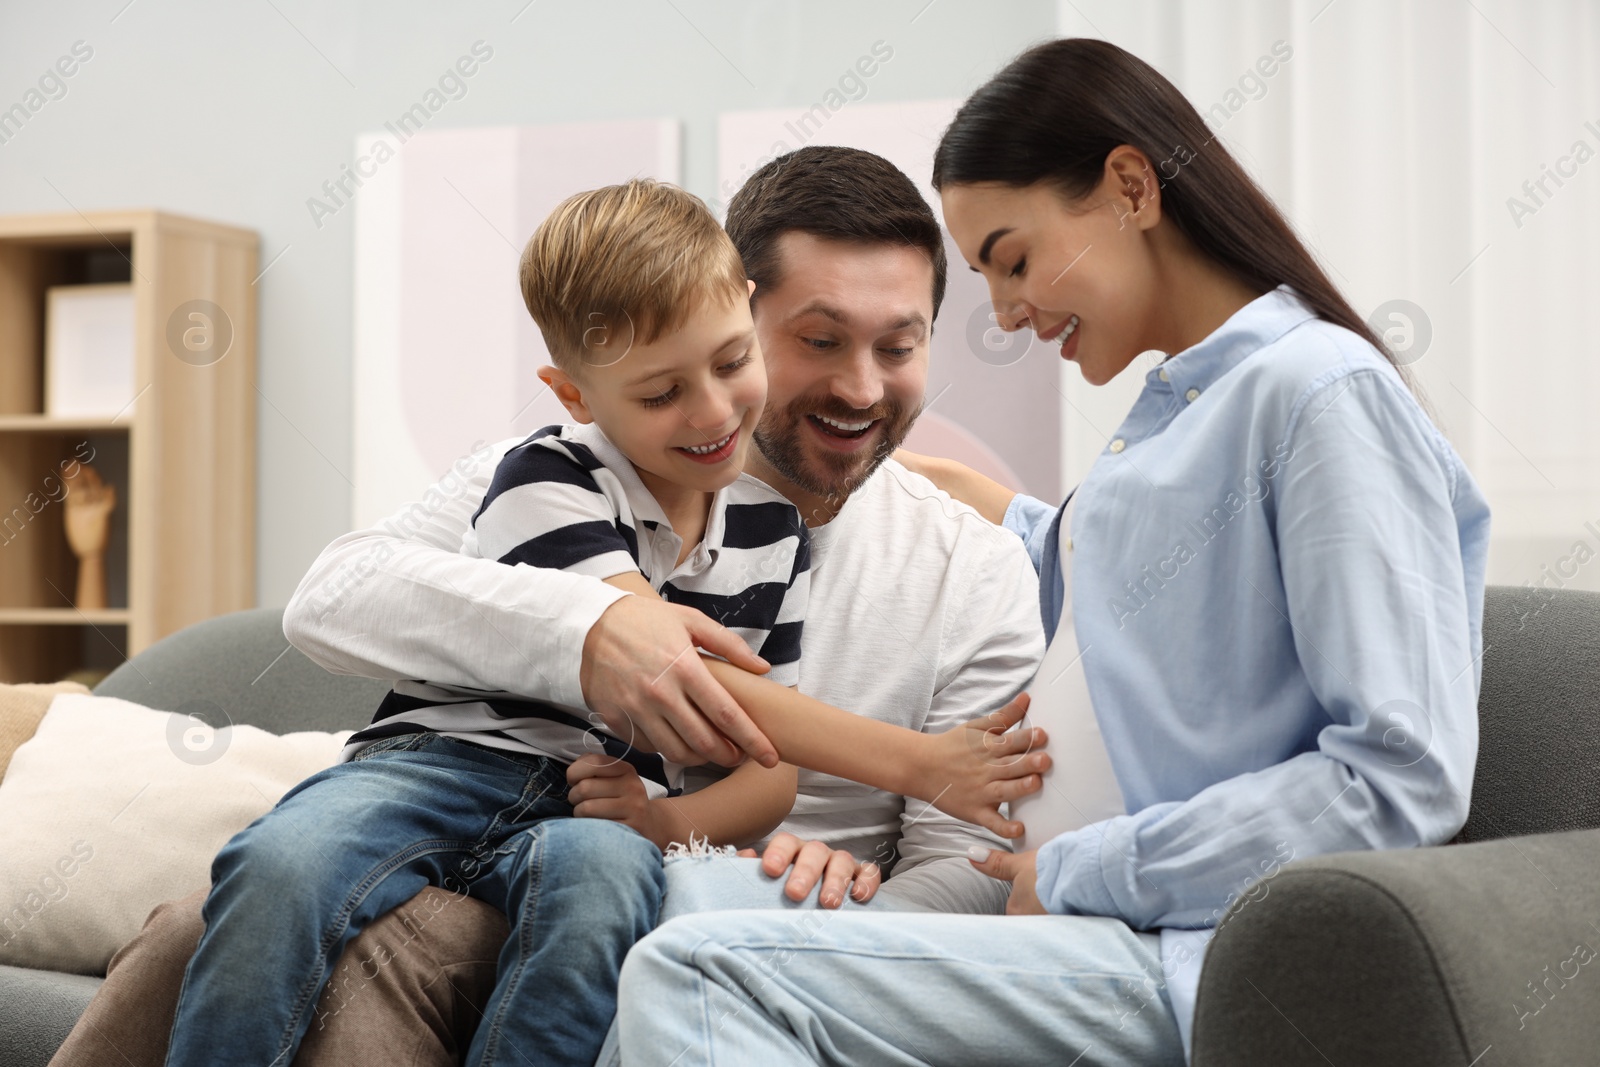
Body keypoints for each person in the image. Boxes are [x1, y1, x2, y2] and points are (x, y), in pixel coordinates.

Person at [55, 145, 1049, 1067]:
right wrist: (586, 630)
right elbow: (332, 596)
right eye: (819, 338)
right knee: (203, 918)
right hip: (471, 798)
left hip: (705, 884)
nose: (859, 385)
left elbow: (955, 851)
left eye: (899, 344)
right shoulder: (548, 469)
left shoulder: (952, 560)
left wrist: (829, 907)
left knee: (411, 937)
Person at [612, 36, 1490, 1066]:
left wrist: (1090, 866)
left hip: (1152, 942)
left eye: (1012, 258)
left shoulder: (1317, 394)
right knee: (664, 936)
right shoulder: (1181, 415)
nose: (1006, 312)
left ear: (1128, 188)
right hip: (1045, 919)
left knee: (694, 969)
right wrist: (991, 506)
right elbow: (1139, 598)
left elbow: (1402, 774)